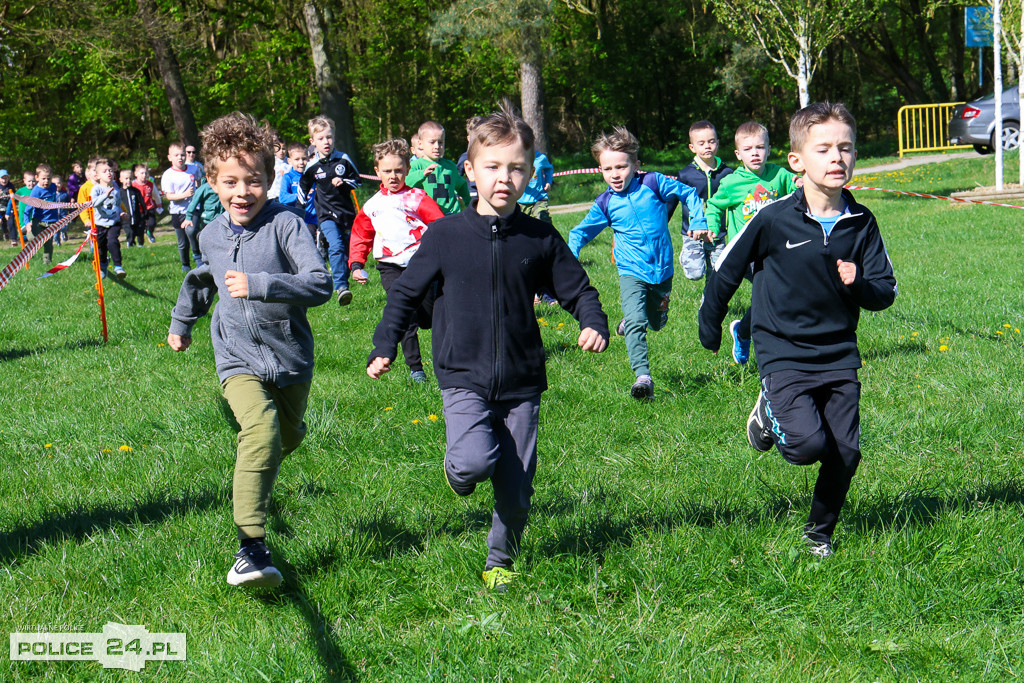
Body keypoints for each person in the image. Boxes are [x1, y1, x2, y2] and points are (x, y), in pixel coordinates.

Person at [367, 106, 609, 593]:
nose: (505, 178)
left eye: (516, 168)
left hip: (522, 380)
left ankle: (500, 559)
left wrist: (592, 321)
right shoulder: (445, 235)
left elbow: (577, 288)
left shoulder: (538, 236)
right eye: (493, 167)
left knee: (518, 489)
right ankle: (458, 469)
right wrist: (385, 343)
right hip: (462, 374)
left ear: (530, 173)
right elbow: (406, 294)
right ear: (470, 171)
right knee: (475, 462)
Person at [699, 102, 897, 558]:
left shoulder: (861, 222)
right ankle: (769, 412)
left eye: (845, 148)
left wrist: (859, 283)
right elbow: (727, 270)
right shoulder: (773, 219)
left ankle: (818, 534)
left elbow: (885, 290)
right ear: (796, 161)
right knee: (807, 446)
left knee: (845, 451)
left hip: (839, 353)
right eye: (823, 149)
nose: (836, 158)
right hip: (782, 349)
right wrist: (710, 323)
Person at [167, 111, 333, 588]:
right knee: (260, 431)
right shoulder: (211, 234)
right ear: (212, 183)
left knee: (286, 437)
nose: (243, 192)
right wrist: (183, 321)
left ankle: (255, 466)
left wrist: (262, 284)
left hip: (290, 357)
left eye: (254, 180)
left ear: (269, 178)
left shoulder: (287, 225)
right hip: (235, 355)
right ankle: (251, 547)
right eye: (230, 182)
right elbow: (203, 278)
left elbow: (319, 283)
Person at [569, 126, 707, 400]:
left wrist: (699, 220)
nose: (615, 174)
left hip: (663, 270)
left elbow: (689, 193)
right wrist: (570, 263)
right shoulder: (605, 203)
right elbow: (578, 233)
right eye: (608, 169)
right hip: (631, 270)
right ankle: (642, 377)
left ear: (636, 165)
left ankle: (637, 319)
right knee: (636, 321)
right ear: (600, 170)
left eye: (621, 167)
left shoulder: (653, 183)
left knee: (656, 323)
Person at [349, 138, 444, 383]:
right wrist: (357, 264)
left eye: (399, 170)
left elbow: (440, 225)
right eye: (387, 171)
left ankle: (439, 351)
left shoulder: (417, 197)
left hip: (421, 265)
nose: (393, 176)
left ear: (408, 170)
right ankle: (416, 369)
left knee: (428, 317)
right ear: (377, 172)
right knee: (405, 316)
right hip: (390, 267)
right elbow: (361, 235)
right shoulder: (372, 206)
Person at [705, 121, 798, 365]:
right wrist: (713, 227)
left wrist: (803, 182)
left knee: (774, 296)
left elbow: (797, 186)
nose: (754, 153)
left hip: (776, 250)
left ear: (769, 149)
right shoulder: (731, 183)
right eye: (748, 149)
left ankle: (743, 331)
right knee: (769, 295)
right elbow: (714, 206)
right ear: (738, 154)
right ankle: (754, 336)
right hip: (745, 253)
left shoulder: (779, 175)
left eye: (760, 147)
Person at [299, 115, 361, 306]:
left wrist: (344, 182)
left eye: (329, 137)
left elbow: (357, 181)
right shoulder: (312, 166)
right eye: (321, 138)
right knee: (336, 246)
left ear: (334, 137)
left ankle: (344, 276)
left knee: (347, 251)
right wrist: (300, 208)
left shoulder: (343, 159)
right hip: (325, 215)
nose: (326, 142)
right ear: (313, 142)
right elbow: (303, 187)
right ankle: (341, 287)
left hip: (346, 213)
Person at [677, 120, 733, 281]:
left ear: (718, 143)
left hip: (717, 233)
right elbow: (671, 202)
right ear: (692, 147)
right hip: (692, 233)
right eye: (701, 143)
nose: (707, 146)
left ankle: (709, 299)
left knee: (717, 275)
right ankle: (686, 256)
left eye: (711, 141)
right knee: (695, 274)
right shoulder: (685, 175)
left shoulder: (727, 173)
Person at [406, 120, 471, 216]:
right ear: (420, 144)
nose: (437, 146)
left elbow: (461, 186)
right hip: (427, 217)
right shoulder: (415, 165)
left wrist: (470, 205)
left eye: (440, 142)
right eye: (432, 142)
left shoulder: (450, 166)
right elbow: (407, 183)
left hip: (451, 215)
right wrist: (422, 174)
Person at [162, 142, 200, 272]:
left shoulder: (193, 169)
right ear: (169, 158)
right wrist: (184, 195)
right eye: (176, 155)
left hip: (193, 208)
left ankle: (198, 258)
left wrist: (198, 193)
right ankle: (185, 265)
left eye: (183, 155)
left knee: (192, 231)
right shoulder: (168, 175)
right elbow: (169, 196)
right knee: (182, 241)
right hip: (177, 211)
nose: (180, 158)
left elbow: (199, 181)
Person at [90, 159, 127, 279]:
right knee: (101, 248)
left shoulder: (115, 187)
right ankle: (103, 266)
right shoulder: (96, 189)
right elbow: (94, 203)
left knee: (112, 242)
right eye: (105, 171)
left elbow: (117, 204)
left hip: (113, 222)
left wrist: (121, 213)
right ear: (97, 176)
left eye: (110, 170)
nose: (109, 173)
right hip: (99, 224)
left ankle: (118, 267)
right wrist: (105, 195)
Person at [278, 142, 317, 241]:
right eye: (297, 159)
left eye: (304, 159)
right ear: (289, 161)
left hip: (311, 218)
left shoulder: (312, 177)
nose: (301, 162)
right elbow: (282, 198)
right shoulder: (288, 177)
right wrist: (300, 195)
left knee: (309, 240)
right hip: (294, 219)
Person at [27, 164, 59, 264]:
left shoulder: (53, 187)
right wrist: (27, 223)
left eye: (49, 178)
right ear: (37, 178)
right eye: (43, 179)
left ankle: (47, 263)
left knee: (48, 244)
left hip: (51, 221)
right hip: (38, 220)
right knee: (35, 240)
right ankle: (29, 246)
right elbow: (27, 209)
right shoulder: (35, 192)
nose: (46, 181)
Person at [456, 115, 483, 199]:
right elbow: (457, 176)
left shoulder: (491, 155)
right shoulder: (465, 157)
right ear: (469, 138)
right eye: (475, 137)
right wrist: (457, 194)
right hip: (472, 194)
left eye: (481, 136)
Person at [132, 163, 159, 244]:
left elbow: (156, 194)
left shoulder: (150, 184)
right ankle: (140, 242)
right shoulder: (133, 185)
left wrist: (159, 203)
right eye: (142, 173)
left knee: (152, 223)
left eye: (146, 173)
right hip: (139, 209)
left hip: (149, 207)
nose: (144, 175)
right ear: (136, 174)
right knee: (140, 226)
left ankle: (149, 232)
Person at [119, 168, 146, 247]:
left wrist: (145, 213)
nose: (129, 180)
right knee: (129, 232)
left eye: (130, 178)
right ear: (121, 180)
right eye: (126, 178)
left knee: (139, 231)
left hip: (136, 216)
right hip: (126, 218)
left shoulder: (135, 191)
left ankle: (140, 244)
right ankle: (130, 244)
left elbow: (142, 203)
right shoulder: (119, 192)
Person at [52, 174, 70, 245]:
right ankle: (58, 242)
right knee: (56, 230)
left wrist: (70, 211)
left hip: (63, 214)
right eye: (54, 183)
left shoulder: (65, 194)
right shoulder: (51, 194)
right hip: (54, 215)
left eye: (58, 183)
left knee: (64, 226)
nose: (57, 185)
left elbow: (69, 204)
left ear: (62, 184)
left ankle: (64, 232)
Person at [1, 169, 15, 246]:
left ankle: (13, 239)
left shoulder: (11, 186)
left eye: (6, 178)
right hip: (0, 208)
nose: (4, 180)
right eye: (2, 178)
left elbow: (12, 199)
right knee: (2, 222)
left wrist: (8, 212)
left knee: (11, 221)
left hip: (9, 207)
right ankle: (5, 233)